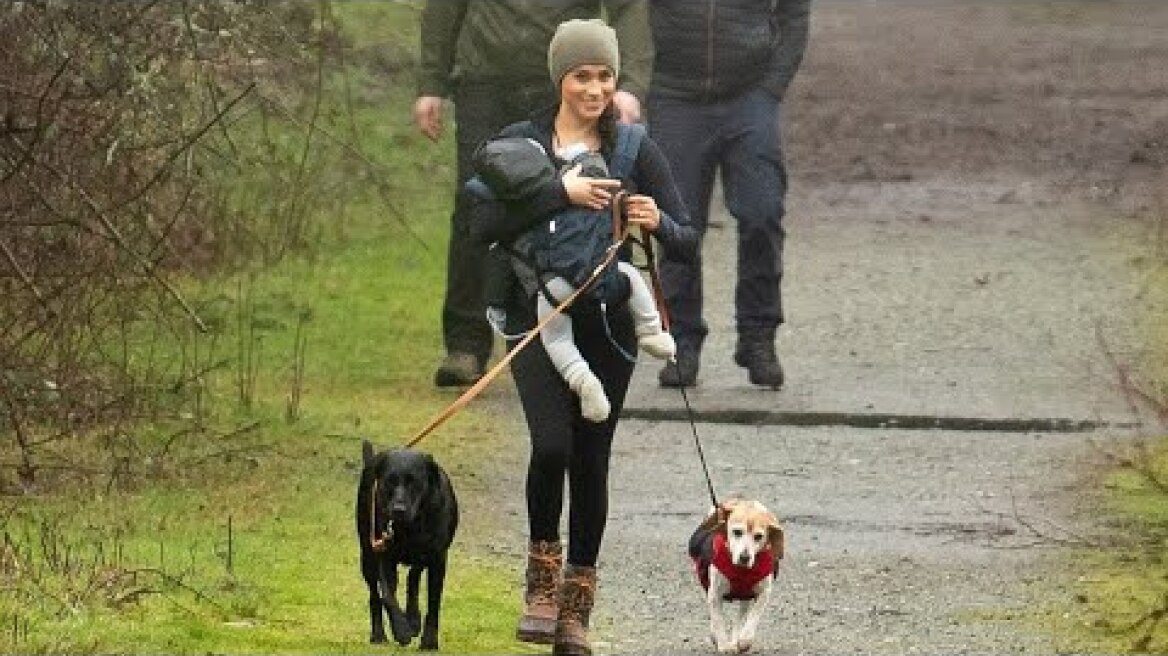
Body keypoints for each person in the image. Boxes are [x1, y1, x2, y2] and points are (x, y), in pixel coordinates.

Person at [467, 19, 697, 655]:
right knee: (551, 446)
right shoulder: (519, 143)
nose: (594, 89)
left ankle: (577, 605)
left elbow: (687, 235)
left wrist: (656, 221)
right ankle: (540, 581)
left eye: (604, 76)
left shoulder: (634, 149)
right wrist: (557, 191)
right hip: (533, 317)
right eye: (582, 76)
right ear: (559, 79)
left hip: (608, 320)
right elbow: (478, 221)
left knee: (592, 459)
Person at [414, 1, 653, 388]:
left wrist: (630, 86)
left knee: (586, 204)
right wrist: (431, 82)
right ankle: (466, 345)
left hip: (564, 81)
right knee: (477, 207)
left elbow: (629, 8)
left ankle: (591, 332)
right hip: (485, 82)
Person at [648, 0, 812, 389]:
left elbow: (795, 11)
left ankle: (758, 336)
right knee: (677, 223)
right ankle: (681, 341)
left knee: (762, 212)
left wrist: (773, 86)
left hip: (750, 95)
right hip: (673, 95)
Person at [472, 135, 676, 423]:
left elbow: (486, 234)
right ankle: (651, 331)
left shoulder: (514, 194)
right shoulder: (589, 174)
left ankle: (582, 380)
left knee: (557, 340)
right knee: (631, 276)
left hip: (552, 286)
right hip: (602, 273)